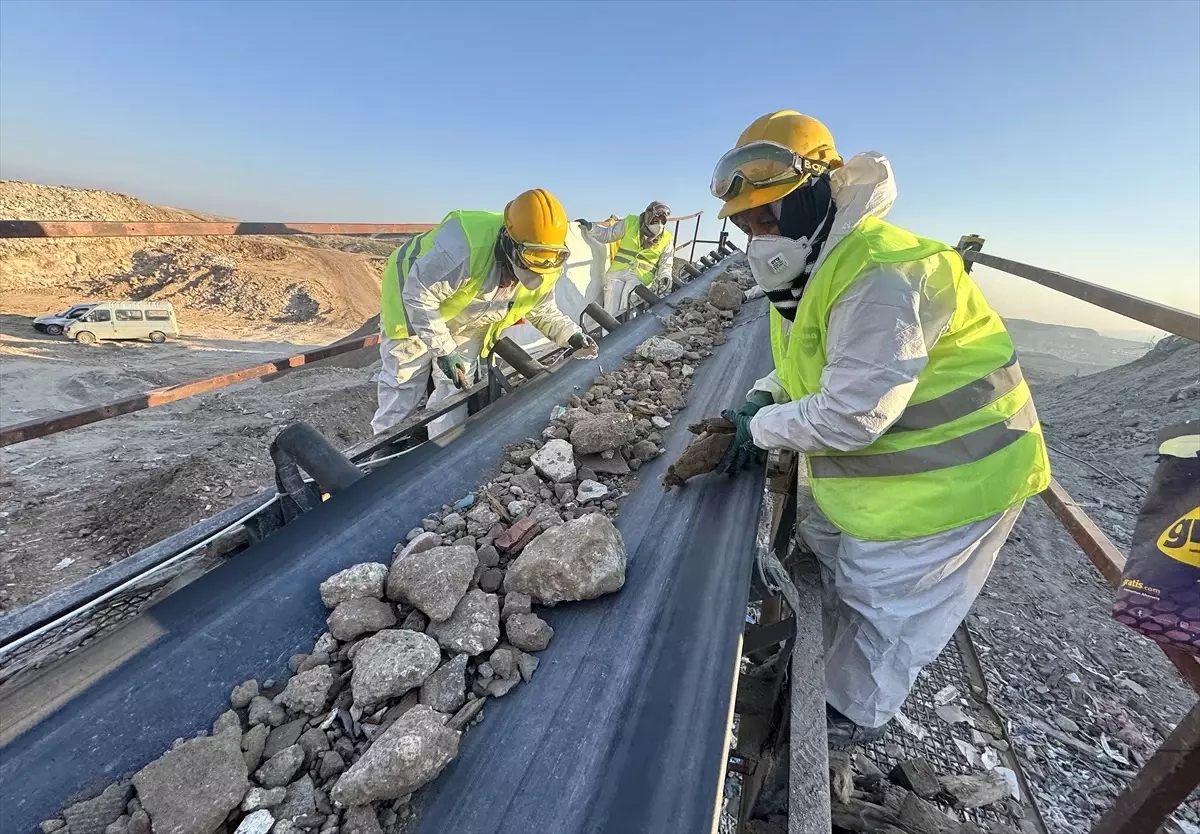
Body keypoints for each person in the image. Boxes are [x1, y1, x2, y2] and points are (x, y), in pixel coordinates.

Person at [711, 110, 1051, 746]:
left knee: (885, 617)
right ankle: (812, 678)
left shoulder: (880, 274)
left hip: (953, 483)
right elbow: (813, 359)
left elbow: (852, 414)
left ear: (815, 192)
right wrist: (765, 396)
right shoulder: (816, 259)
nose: (757, 235)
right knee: (835, 577)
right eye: (746, 223)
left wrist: (760, 430)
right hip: (887, 474)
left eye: (767, 216)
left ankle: (841, 725)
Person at [372, 188, 598, 437]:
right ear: (509, 241)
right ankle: (384, 448)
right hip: (413, 300)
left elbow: (540, 308)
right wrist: (444, 350)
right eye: (527, 264)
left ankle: (444, 442)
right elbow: (419, 295)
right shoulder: (464, 247)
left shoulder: (548, 260)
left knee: (457, 385)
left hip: (467, 315)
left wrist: (570, 334)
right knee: (404, 384)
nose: (534, 275)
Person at [579, 201, 675, 314]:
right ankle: (610, 325)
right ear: (648, 215)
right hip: (617, 272)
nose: (658, 225)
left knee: (629, 299)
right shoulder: (631, 222)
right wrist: (591, 227)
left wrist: (665, 276)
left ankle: (627, 324)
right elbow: (608, 235)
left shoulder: (667, 238)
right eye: (656, 221)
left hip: (640, 278)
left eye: (662, 222)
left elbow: (666, 263)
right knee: (612, 303)